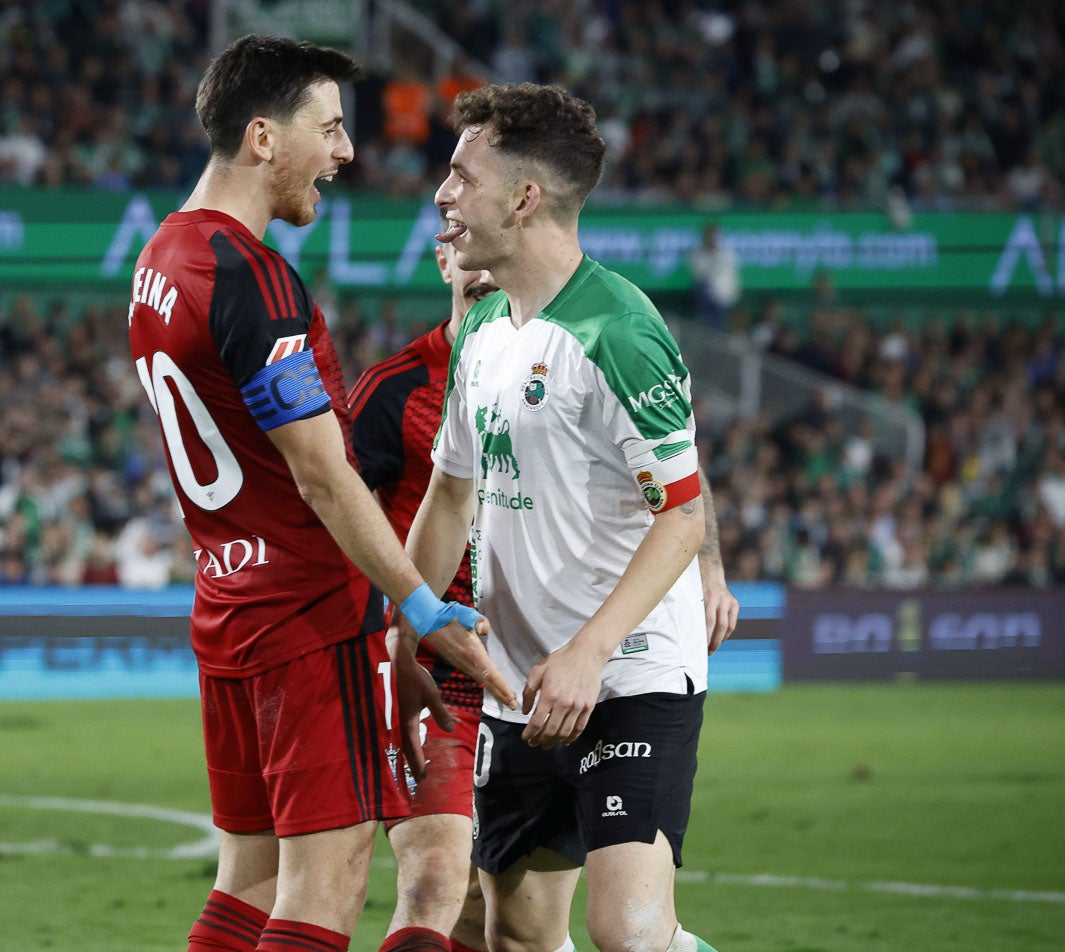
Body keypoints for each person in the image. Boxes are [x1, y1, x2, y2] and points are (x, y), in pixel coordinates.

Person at [126, 35, 515, 952]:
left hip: (226, 603)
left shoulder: (158, 260)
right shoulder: (249, 276)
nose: (345, 152)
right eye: (330, 128)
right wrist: (421, 610)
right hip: (306, 617)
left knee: (248, 884)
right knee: (323, 890)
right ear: (263, 137)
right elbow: (321, 474)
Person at [401, 82, 723, 952]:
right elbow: (448, 496)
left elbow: (681, 519)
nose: (443, 195)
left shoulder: (618, 331)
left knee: (626, 932)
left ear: (524, 196)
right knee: (516, 934)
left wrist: (589, 651)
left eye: (463, 176)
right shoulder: (482, 331)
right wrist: (404, 637)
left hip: (626, 674)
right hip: (518, 683)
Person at [349, 243, 498, 952]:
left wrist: (706, 569)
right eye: (464, 248)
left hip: (544, 668)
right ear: (442, 261)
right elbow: (336, 519)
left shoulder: (566, 369)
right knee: (435, 878)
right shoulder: (395, 388)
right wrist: (389, 642)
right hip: (433, 669)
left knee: (496, 909)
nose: (483, 267)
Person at [689, 222, 739, 333]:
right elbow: (699, 274)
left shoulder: (726, 254)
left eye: (714, 236)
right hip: (706, 297)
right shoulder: (698, 254)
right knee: (701, 288)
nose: (712, 239)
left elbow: (731, 279)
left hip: (723, 297)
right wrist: (710, 255)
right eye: (710, 236)